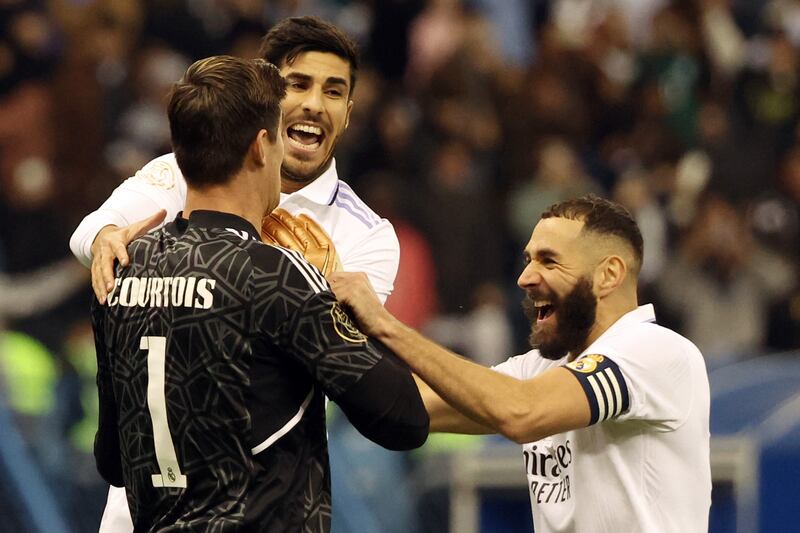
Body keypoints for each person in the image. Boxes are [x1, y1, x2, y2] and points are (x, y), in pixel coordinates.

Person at [69, 17, 407, 532]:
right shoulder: (188, 169)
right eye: (298, 84)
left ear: (349, 112)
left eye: (333, 91)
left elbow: (343, 361)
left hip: (255, 496)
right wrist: (106, 241)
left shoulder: (368, 235)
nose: (315, 103)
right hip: (137, 510)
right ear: (266, 96)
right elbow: (94, 231)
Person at [329, 195, 711, 533]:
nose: (525, 277)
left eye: (549, 261)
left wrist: (385, 325)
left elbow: (522, 412)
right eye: (528, 260)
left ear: (608, 274)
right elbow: (404, 407)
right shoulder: (540, 370)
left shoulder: (654, 353)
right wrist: (315, 335)